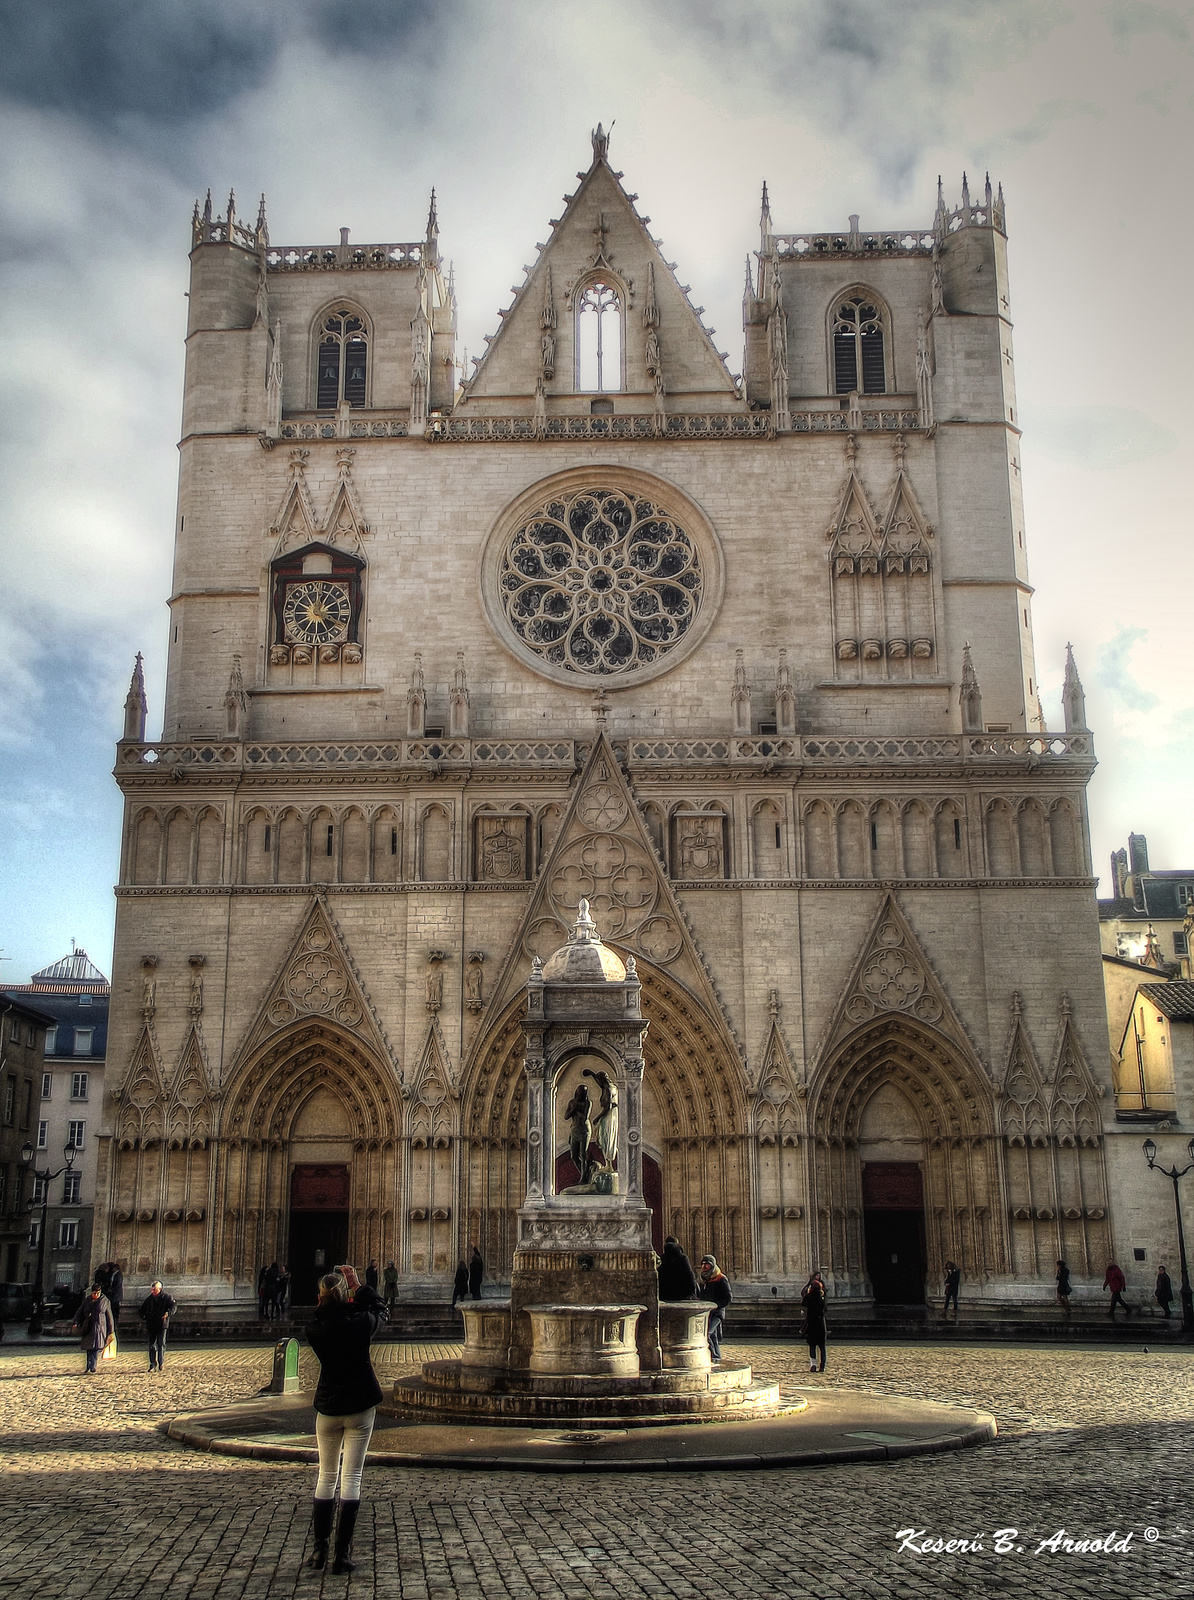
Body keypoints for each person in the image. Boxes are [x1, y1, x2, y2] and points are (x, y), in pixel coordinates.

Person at [304, 1271, 385, 1576]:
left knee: (326, 1477)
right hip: (360, 1407)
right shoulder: (360, 1324)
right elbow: (380, 1309)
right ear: (346, 1297)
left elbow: (326, 1315)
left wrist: (335, 1300)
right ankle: (342, 1554)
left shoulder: (314, 1329)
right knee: (351, 1478)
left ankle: (319, 1550)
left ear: (320, 1299)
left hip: (328, 1408)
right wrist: (357, 1286)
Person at [74, 1282, 114, 1375]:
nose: (95, 1295)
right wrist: (75, 1321)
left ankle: (93, 1367)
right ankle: (88, 1366)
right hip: (88, 1327)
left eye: (97, 1293)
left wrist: (111, 1330)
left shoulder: (105, 1301)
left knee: (96, 1348)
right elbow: (80, 1311)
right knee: (89, 1348)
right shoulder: (87, 1300)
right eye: (94, 1293)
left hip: (100, 1327)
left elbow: (109, 1316)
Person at [699, 1255, 732, 1362]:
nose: (704, 1267)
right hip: (707, 1312)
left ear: (712, 1266)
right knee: (713, 1336)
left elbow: (728, 1297)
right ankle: (717, 1356)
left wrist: (717, 1305)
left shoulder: (721, 1278)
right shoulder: (703, 1279)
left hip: (717, 1313)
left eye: (707, 1265)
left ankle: (713, 1356)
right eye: (703, 1264)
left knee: (707, 1333)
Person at [140, 1279, 177, 1372]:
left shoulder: (167, 1297)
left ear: (159, 1289)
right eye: (151, 1289)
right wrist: (145, 1317)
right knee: (152, 1345)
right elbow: (141, 1310)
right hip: (151, 1324)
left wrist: (167, 1313)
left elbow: (173, 1307)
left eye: (154, 1290)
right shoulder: (149, 1299)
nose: (152, 1291)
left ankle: (161, 1363)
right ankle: (152, 1363)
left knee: (161, 1344)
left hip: (162, 1324)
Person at [801, 1271, 827, 1372]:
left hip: (812, 1324)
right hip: (821, 1324)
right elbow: (825, 1308)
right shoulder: (822, 1299)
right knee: (822, 1347)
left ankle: (813, 1365)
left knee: (812, 1346)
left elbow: (803, 1303)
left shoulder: (810, 1297)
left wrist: (808, 1293)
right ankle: (822, 1366)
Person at [657, 1236, 698, 1301]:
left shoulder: (663, 1258)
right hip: (682, 1294)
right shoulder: (683, 1258)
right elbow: (690, 1275)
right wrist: (692, 1293)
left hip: (665, 1294)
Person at [106, 1263, 124, 1328]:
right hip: (114, 1294)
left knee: (115, 1307)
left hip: (116, 1294)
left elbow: (117, 1284)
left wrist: (112, 1289)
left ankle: (115, 1319)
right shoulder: (113, 1274)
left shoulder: (118, 1275)